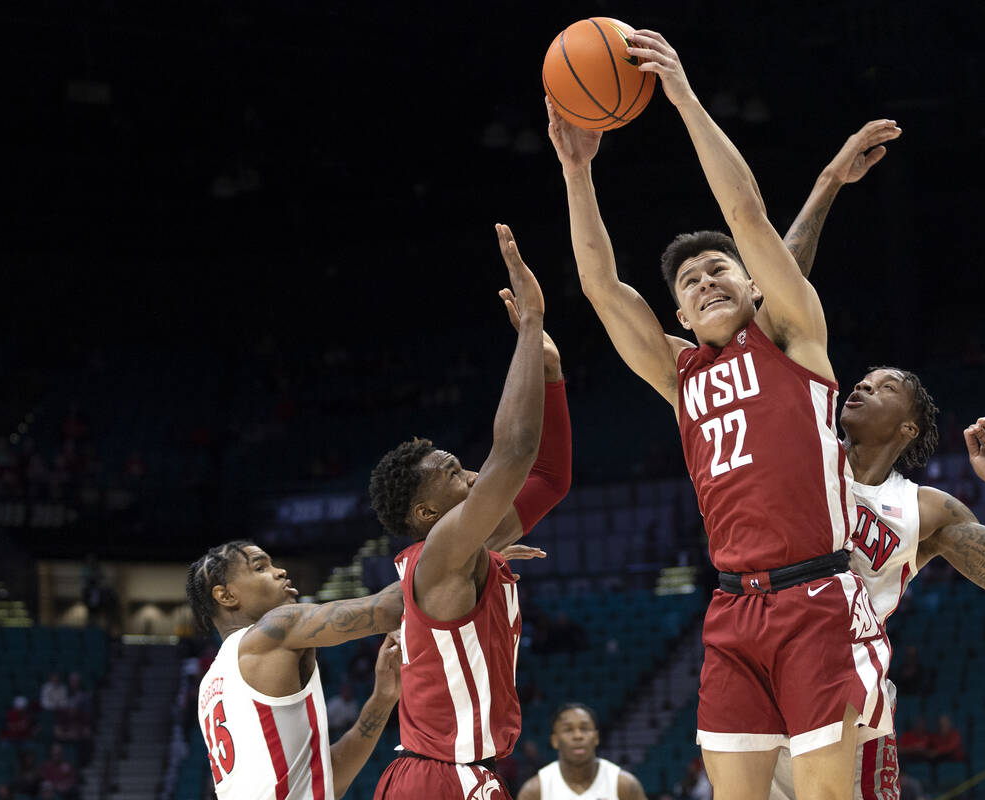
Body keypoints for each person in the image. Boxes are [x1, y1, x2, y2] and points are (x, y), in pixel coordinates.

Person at [547, 32, 891, 800]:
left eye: (719, 269)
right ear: (679, 310)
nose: (705, 281)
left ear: (754, 285)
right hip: (734, 608)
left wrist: (682, 97)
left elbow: (745, 210)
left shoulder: (794, 336)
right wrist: (577, 172)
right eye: (691, 280)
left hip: (817, 599)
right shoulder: (680, 373)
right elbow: (603, 287)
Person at [770, 122, 985, 800]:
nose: (860, 384)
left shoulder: (925, 511)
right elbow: (774, 303)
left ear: (908, 425)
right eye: (860, 378)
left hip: (851, 701)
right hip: (766, 684)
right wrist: (828, 182)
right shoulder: (807, 446)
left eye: (882, 385)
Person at [370, 225, 571, 800]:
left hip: (455, 774)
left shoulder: (463, 549)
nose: (477, 476)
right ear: (426, 511)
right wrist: (530, 326)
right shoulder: (442, 554)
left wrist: (551, 376)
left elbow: (550, 480)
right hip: (439, 776)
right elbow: (513, 453)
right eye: (457, 473)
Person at [187, 539, 404, 800]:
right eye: (260, 568)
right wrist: (445, 550)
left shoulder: (209, 686)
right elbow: (387, 608)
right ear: (226, 595)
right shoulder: (272, 630)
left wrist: (382, 699)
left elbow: (325, 781)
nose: (280, 571)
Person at [516, 703, 646, 800]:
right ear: (555, 740)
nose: (578, 736)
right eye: (568, 729)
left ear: (596, 737)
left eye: (584, 728)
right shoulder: (534, 791)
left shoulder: (624, 785)